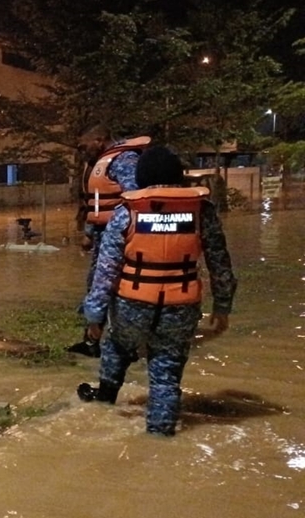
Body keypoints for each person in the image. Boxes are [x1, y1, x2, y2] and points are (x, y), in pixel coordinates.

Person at [77, 145, 236, 436]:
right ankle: (160, 434)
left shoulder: (127, 213)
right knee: (166, 370)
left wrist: (94, 316)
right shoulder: (202, 212)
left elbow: (106, 270)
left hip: (131, 305)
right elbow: (220, 264)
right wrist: (222, 307)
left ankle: (105, 401)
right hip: (180, 307)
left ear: (141, 178)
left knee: (116, 347)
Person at [68, 124, 149, 357]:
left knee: (120, 290)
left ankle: (129, 345)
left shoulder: (124, 160)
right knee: (97, 285)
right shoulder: (102, 164)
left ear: (100, 140)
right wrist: (89, 233)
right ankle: (92, 341)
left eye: (85, 147)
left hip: (122, 237)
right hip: (104, 234)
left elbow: (135, 200)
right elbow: (96, 204)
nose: (83, 152)